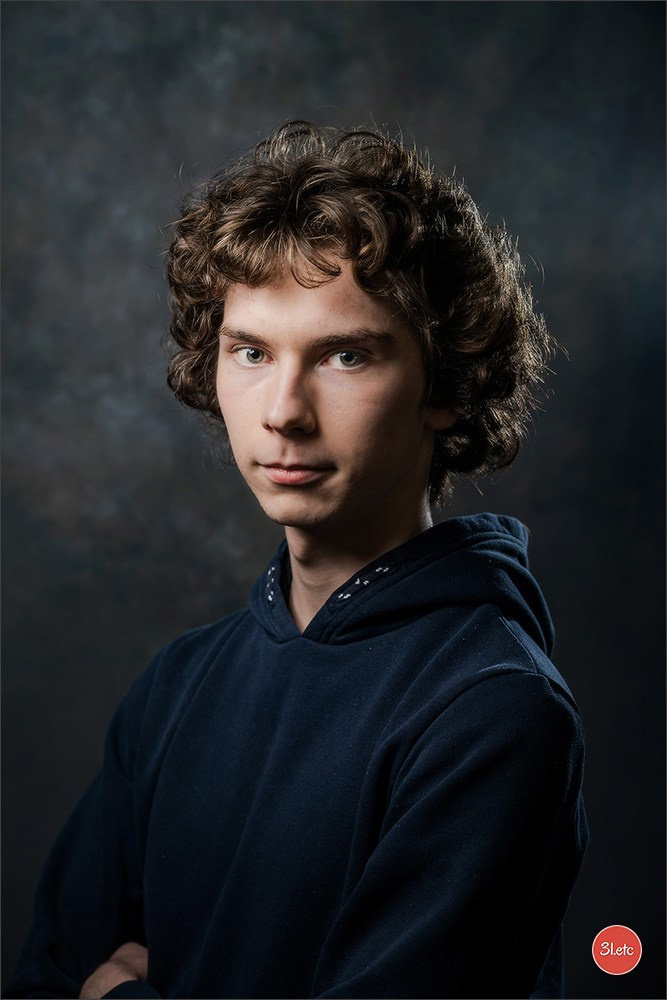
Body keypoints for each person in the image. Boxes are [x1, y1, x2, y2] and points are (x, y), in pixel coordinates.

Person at [7, 121, 588, 1000]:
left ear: (446, 387)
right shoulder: (179, 685)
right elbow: (46, 976)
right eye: (250, 352)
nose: (282, 410)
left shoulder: (494, 710)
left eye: (343, 355)